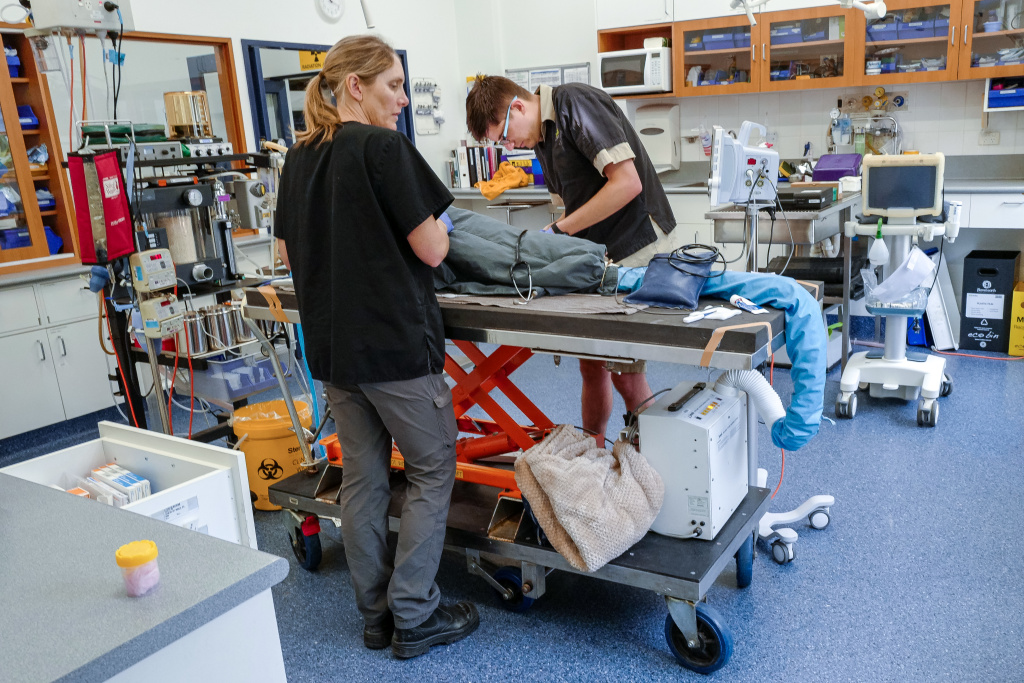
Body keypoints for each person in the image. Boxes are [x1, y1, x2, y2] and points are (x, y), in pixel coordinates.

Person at [274, 35, 478, 660]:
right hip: (392, 347)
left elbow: (285, 256)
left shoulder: (300, 156)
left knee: (363, 479)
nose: (402, 100)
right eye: (393, 86)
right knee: (431, 466)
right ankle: (415, 614)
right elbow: (435, 250)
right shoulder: (384, 149)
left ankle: (376, 617)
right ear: (356, 87)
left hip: (335, 350)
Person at [466, 76, 686, 446]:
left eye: (504, 135)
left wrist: (560, 232)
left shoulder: (573, 104)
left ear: (518, 107)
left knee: (625, 373)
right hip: (599, 253)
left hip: (637, 243)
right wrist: (555, 243)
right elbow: (571, 207)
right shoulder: (541, 141)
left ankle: (653, 461)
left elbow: (627, 183)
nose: (508, 146)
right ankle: (593, 451)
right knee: (591, 364)